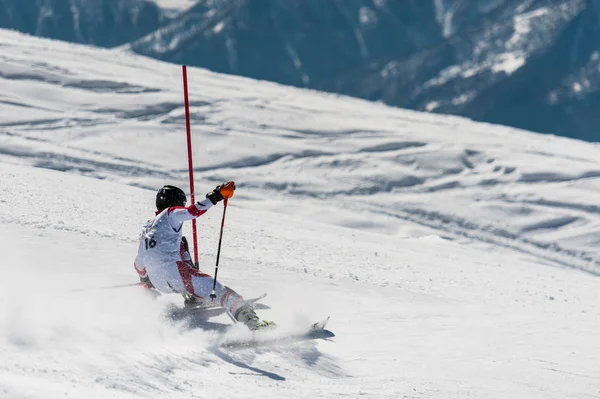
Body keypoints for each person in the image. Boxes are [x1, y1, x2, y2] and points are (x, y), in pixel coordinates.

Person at [134, 182, 271, 330]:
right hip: (178, 276)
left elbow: (139, 264)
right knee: (224, 293)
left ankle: (193, 296)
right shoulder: (171, 213)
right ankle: (253, 323)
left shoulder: (147, 228)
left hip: (158, 282)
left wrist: (146, 279)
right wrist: (217, 195)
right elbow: (192, 212)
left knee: (181, 243)